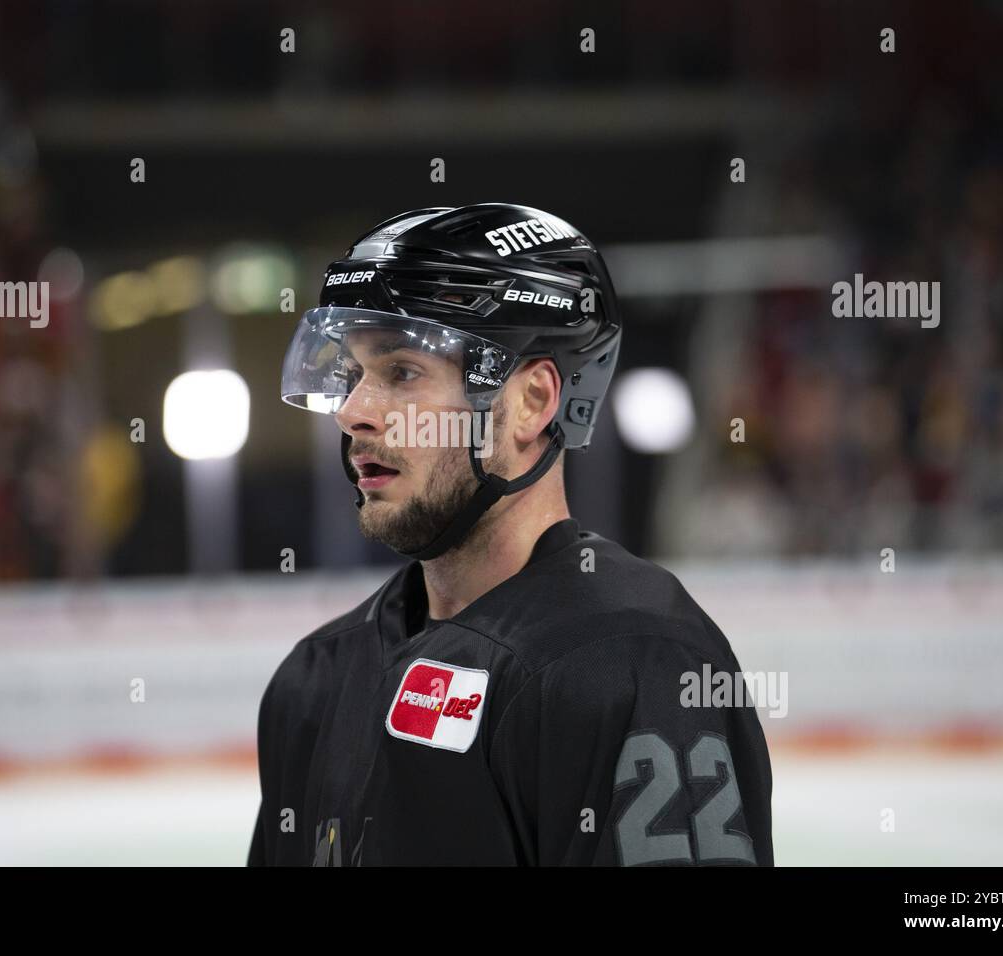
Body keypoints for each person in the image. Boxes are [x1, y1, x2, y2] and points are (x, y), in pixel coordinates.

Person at [249, 202, 773, 865]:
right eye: (351, 374)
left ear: (531, 403)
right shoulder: (314, 679)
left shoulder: (632, 661)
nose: (354, 411)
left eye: (401, 373)